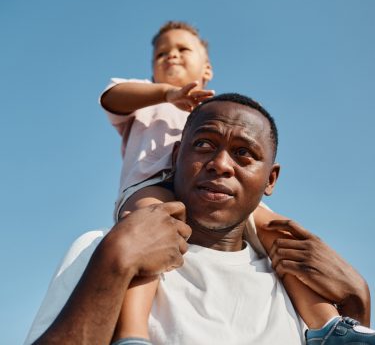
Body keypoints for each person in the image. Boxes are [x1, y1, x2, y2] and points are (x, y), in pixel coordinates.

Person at [98, 21, 372, 343]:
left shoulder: (218, 112)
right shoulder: (147, 102)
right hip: (152, 184)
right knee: (146, 234)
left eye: (183, 49)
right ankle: (132, 334)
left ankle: (328, 326)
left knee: (280, 233)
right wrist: (167, 93)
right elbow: (111, 97)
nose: (171, 56)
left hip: (219, 188)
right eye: (162, 53)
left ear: (207, 68)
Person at [25, 94, 373, 345]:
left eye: (243, 153)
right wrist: (114, 262)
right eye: (204, 144)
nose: (221, 164)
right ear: (176, 157)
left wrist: (358, 306)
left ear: (270, 180)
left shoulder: (299, 292)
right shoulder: (104, 251)